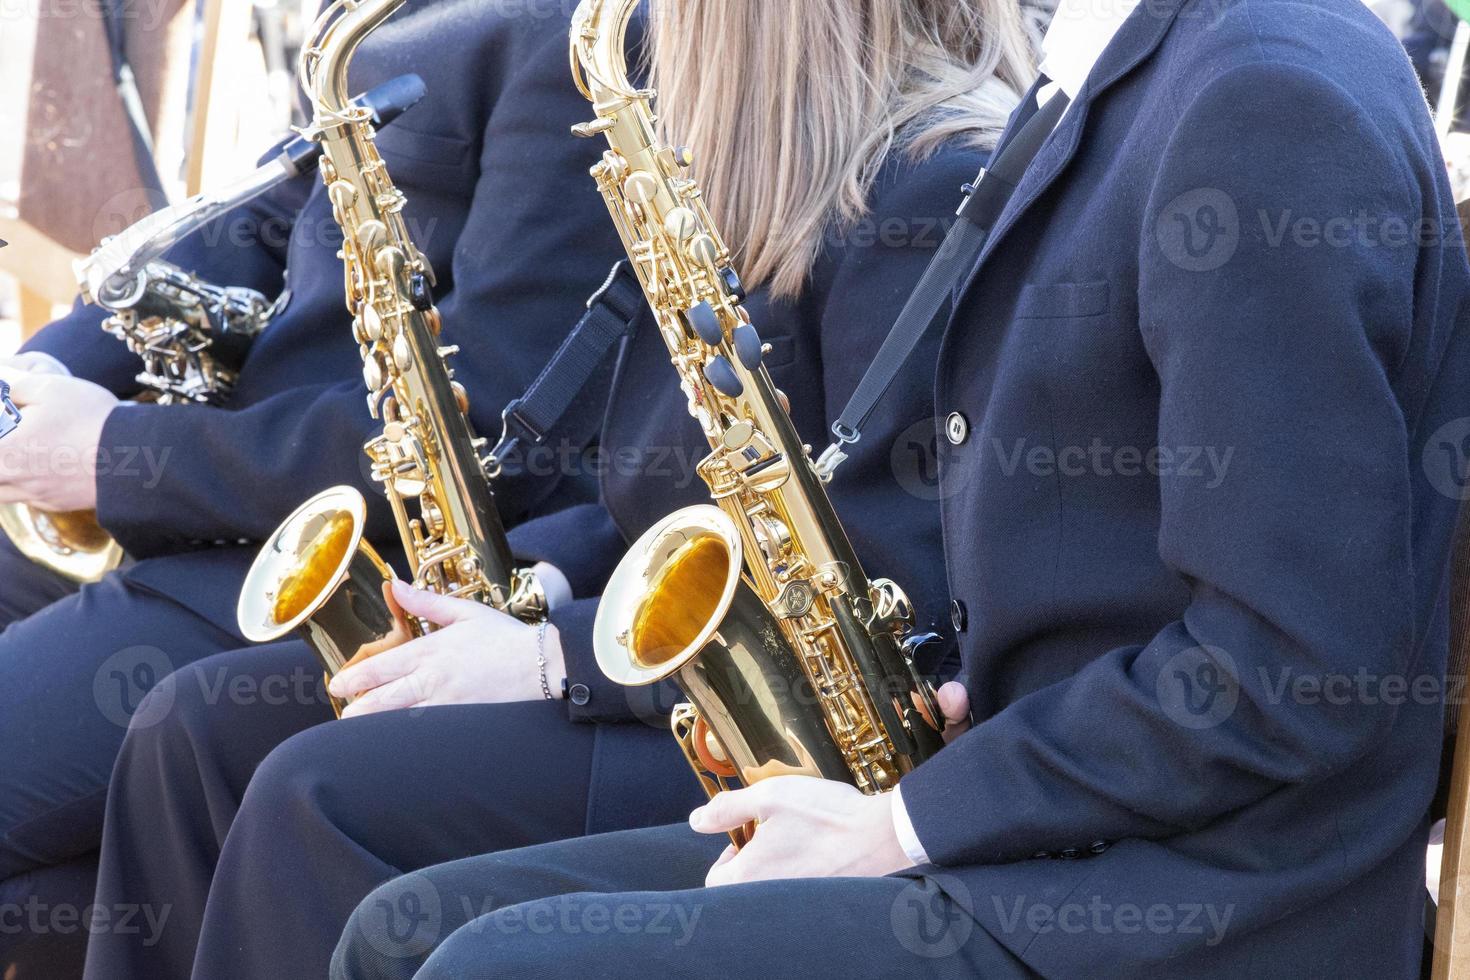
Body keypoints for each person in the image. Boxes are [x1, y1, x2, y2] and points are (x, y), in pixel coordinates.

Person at [331, 0, 1470, 976]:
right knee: (400, 934)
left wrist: (905, 821)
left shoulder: (1262, 97)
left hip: (1205, 905)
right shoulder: (1161, 59)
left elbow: (1287, 666)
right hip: (1068, 828)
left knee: (486, 961)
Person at [82, 1, 1035, 977]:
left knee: (311, 793)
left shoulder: (926, 192)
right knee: (196, 729)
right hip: (660, 673)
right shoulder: (750, 187)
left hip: (788, 743)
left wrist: (551, 657)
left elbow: (889, 609)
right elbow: (650, 488)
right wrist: (540, 584)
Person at [0, 0, 627, 973]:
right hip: (214, 496)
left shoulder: (582, 43)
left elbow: (488, 432)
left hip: (338, 556)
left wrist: (120, 455)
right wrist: (48, 373)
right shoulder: (401, 17)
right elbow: (277, 204)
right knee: (46, 902)